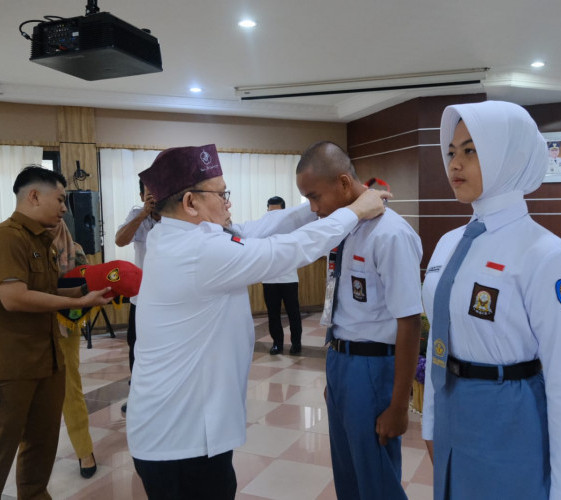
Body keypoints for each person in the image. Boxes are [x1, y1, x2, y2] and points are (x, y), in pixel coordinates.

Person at [126, 144, 388, 499]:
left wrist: (319, 205)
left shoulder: (182, 234)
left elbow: (262, 228)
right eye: (221, 194)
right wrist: (355, 211)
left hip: (187, 431)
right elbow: (285, 251)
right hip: (180, 440)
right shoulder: (194, 251)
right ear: (190, 203)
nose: (228, 202)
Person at [421, 101, 561, 499]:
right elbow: (437, 339)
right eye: (450, 152)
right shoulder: (449, 245)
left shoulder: (546, 253)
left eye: (470, 150)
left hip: (509, 418)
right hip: (451, 412)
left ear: (508, 155)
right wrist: (431, 422)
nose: (454, 165)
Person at [296, 141, 423, 500]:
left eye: (315, 196)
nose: (314, 208)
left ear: (343, 182)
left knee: (376, 480)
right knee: (349, 476)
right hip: (342, 363)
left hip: (372, 369)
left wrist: (399, 406)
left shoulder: (390, 233)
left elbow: (409, 322)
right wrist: (334, 376)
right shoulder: (345, 227)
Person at [0, 166, 111, 499]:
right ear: (34, 196)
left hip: (48, 359)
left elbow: (45, 290)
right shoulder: (8, 237)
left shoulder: (44, 240)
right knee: (5, 445)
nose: (65, 208)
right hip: (14, 365)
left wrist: (81, 296)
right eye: (60, 199)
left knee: (41, 445)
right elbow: (13, 297)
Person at [51, 220, 98, 478]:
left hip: (64, 325)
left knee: (71, 389)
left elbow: (87, 282)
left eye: (62, 202)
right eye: (57, 200)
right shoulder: (18, 243)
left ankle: (84, 450)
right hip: (26, 329)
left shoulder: (75, 248)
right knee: (28, 396)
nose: (62, 208)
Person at [115, 180, 160, 414]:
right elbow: (120, 240)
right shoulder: (136, 214)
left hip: (168, 299)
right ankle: (138, 397)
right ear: (141, 194)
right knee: (136, 348)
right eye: (148, 193)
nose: (153, 197)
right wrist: (143, 214)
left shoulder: (175, 214)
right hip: (140, 298)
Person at [262, 196, 303, 355]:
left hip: (289, 278)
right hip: (269, 278)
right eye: (270, 212)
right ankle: (277, 344)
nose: (273, 217)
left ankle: (296, 343)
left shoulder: (292, 228)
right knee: (273, 314)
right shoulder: (262, 229)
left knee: (293, 313)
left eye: (277, 213)